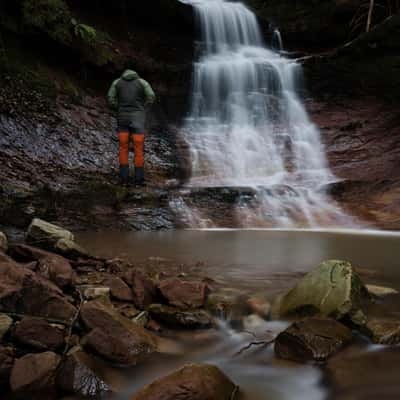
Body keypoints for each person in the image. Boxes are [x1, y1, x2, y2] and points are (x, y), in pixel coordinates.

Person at [107, 69, 155, 186]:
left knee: (123, 147)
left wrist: (118, 108)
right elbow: (151, 96)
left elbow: (110, 98)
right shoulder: (142, 82)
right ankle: (139, 179)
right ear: (135, 74)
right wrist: (143, 107)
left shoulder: (117, 82)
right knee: (138, 148)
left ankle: (123, 177)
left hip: (122, 118)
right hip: (138, 119)